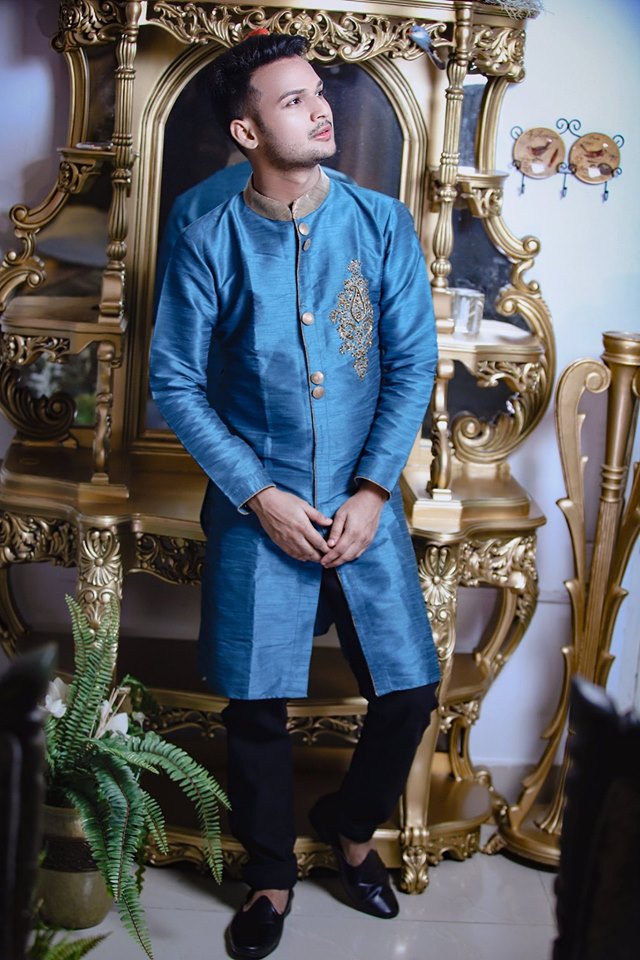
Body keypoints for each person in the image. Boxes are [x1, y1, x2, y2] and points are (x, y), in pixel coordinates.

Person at [150, 32, 440, 960]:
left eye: (319, 93)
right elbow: (175, 381)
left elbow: (412, 364)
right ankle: (269, 878)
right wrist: (256, 495)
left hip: (364, 498)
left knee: (409, 690)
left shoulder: (379, 223)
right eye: (292, 100)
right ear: (246, 131)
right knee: (256, 709)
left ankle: (350, 829)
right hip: (257, 502)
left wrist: (373, 489)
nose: (321, 110)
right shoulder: (206, 230)